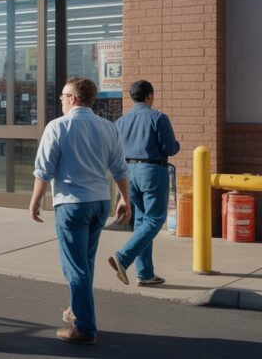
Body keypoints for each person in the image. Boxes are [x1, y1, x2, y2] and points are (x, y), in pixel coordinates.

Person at [29, 77, 131, 345]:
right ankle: (77, 312)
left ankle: (85, 328)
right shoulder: (108, 127)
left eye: (63, 96)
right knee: (85, 263)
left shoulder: (58, 127)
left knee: (74, 267)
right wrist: (125, 198)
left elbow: (44, 169)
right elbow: (119, 168)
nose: (60, 100)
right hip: (99, 203)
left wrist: (36, 200)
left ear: (73, 98)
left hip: (72, 203)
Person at [109, 80, 180, 287]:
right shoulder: (158, 118)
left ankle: (145, 273)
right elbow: (169, 148)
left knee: (141, 222)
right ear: (149, 96)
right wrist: (177, 145)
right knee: (155, 220)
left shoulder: (121, 121)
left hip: (128, 172)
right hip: (151, 171)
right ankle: (123, 257)